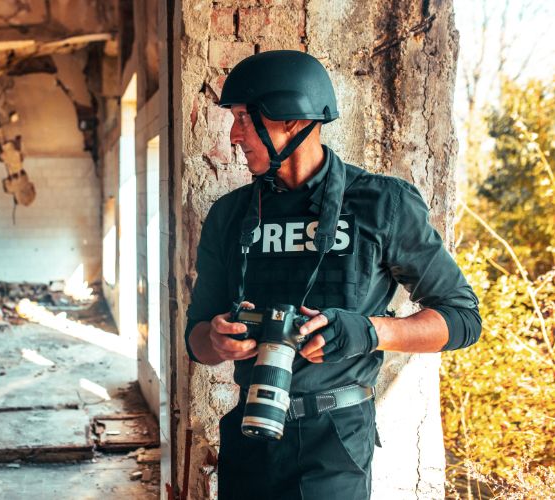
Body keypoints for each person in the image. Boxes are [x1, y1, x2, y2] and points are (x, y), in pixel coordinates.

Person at [184, 50, 481, 499]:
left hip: (334, 442)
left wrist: (369, 332)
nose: (233, 134)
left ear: (292, 118)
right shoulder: (230, 215)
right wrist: (217, 339)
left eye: (244, 117)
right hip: (248, 433)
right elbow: (196, 339)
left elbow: (463, 320)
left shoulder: (383, 204)